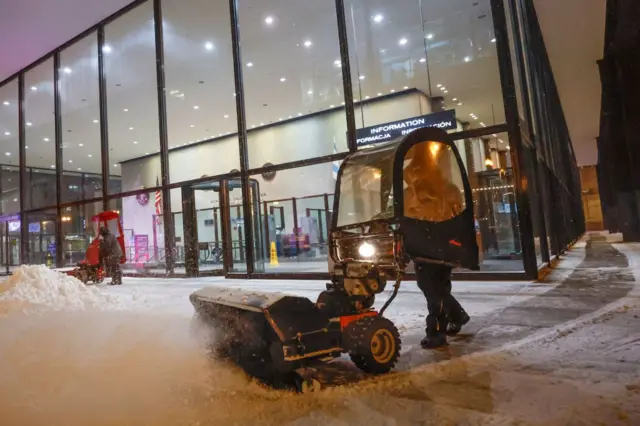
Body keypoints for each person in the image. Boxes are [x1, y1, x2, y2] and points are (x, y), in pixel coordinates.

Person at [403, 142, 471, 349]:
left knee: (435, 290)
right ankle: (457, 315)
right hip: (423, 247)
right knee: (431, 288)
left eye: (417, 170)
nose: (413, 176)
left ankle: (436, 331)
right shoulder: (409, 193)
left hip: (440, 246)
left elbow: (454, 215)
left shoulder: (446, 190)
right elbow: (404, 216)